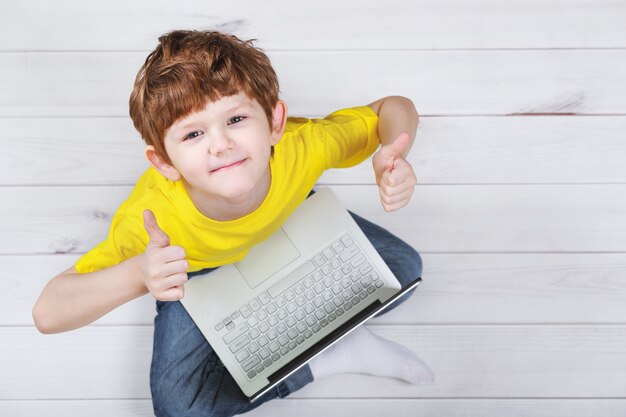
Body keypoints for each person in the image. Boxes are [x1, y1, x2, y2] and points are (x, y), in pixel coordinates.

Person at [32, 29, 434, 416]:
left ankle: (291, 323)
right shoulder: (153, 217)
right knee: (178, 409)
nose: (221, 144)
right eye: (192, 134)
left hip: (287, 223)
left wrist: (393, 151)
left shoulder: (303, 145)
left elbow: (393, 107)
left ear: (275, 123)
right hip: (197, 270)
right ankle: (328, 357)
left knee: (404, 272)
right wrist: (140, 273)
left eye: (236, 120)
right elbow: (48, 313)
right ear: (165, 163)